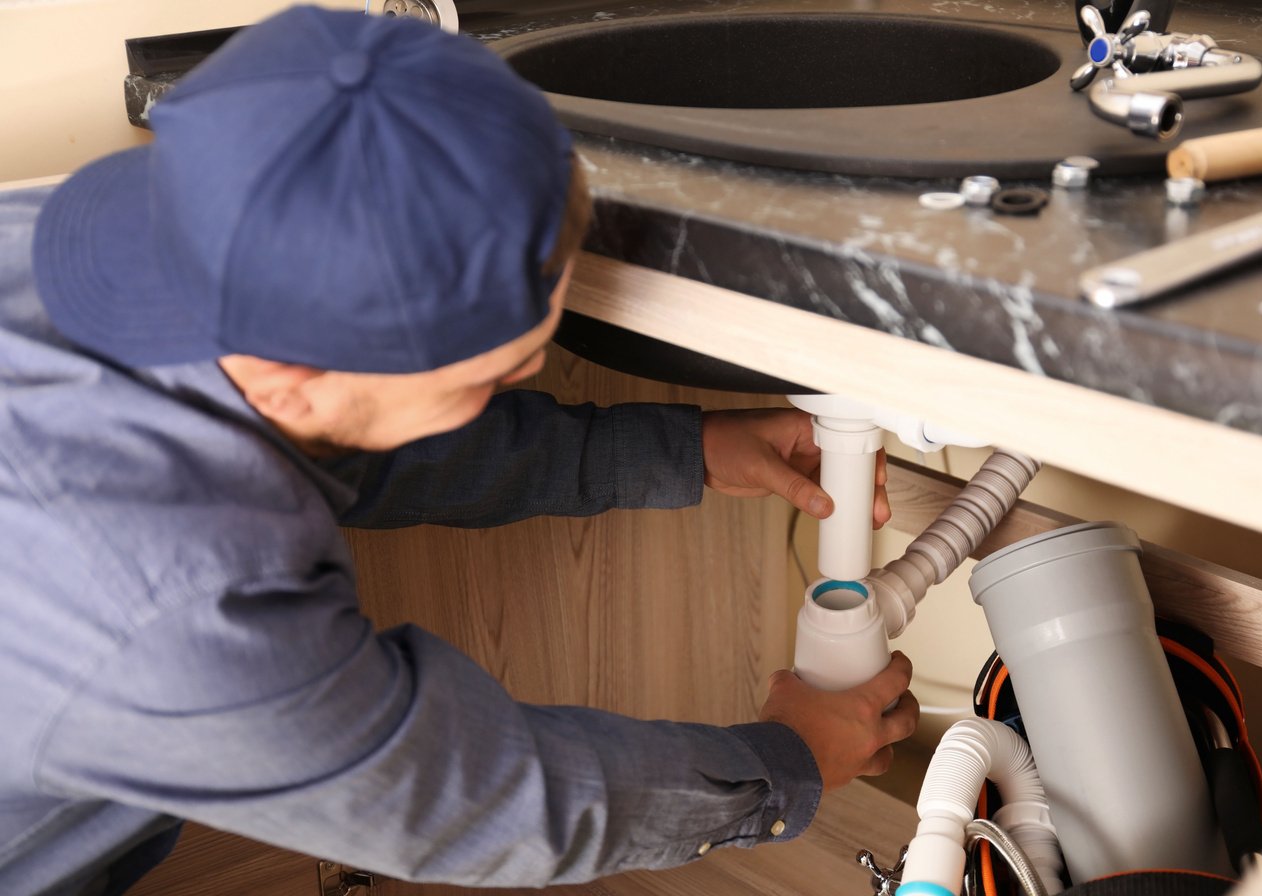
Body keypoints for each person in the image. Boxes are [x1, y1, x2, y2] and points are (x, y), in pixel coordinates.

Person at [0, 7, 917, 895]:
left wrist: (687, 450)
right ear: (289, 374)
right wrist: (784, 764)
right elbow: (475, 801)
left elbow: (325, 430)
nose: (505, 386)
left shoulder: (104, 229)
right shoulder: (175, 609)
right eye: (490, 379)